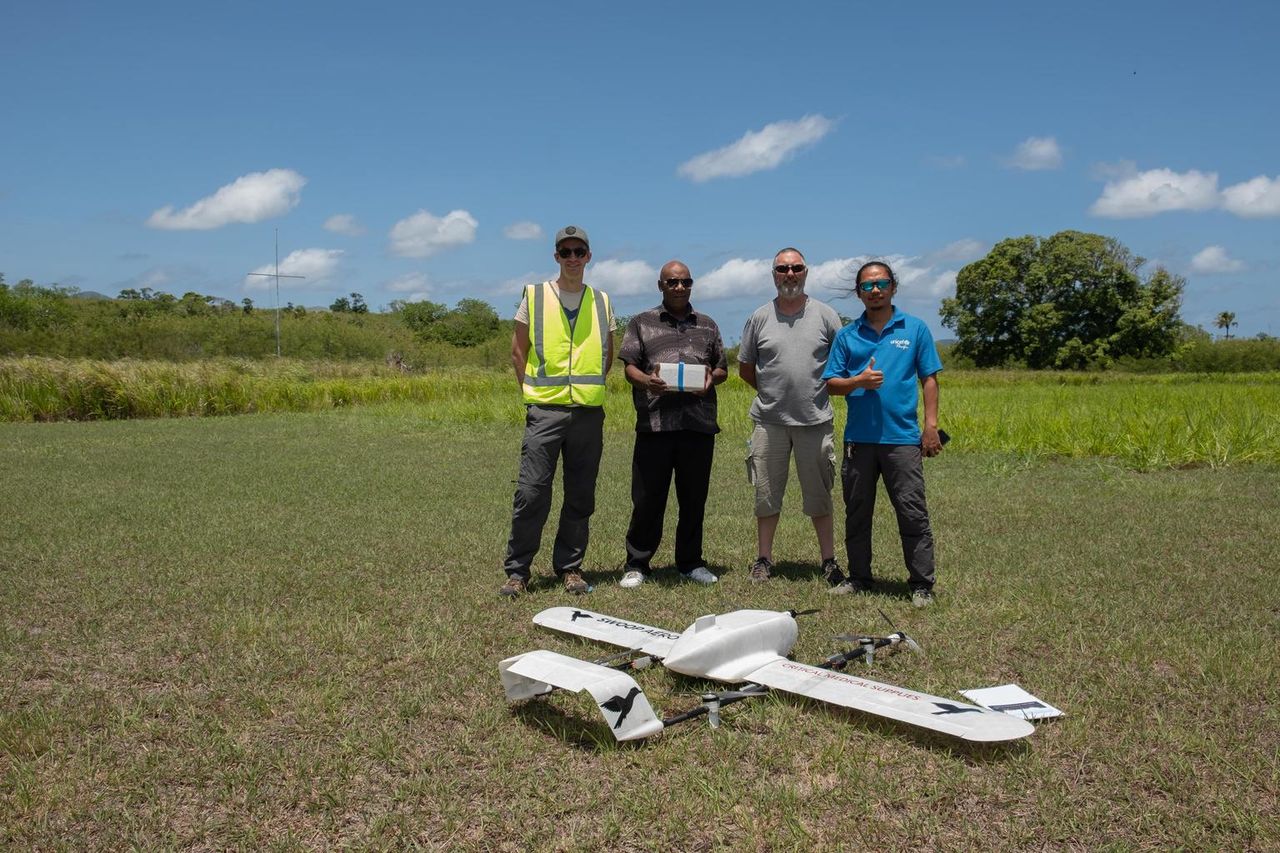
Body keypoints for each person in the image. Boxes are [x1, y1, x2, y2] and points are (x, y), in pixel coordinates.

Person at [499, 225, 614, 596]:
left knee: (580, 495)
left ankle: (570, 568)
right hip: (545, 412)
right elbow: (518, 351)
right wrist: (532, 394)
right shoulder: (533, 296)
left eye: (579, 251)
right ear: (556, 257)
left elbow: (607, 353)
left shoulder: (602, 300)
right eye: (566, 252)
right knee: (532, 492)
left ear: (588, 257)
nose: (573, 258)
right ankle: (518, 572)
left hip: (587, 412)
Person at [822, 260, 944, 607]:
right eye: (867, 286)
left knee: (911, 511)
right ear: (858, 292)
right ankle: (859, 578)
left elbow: (929, 378)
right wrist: (858, 381)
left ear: (893, 287)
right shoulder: (847, 336)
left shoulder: (915, 329)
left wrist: (930, 426)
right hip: (859, 441)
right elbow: (831, 384)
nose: (875, 291)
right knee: (857, 511)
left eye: (881, 284)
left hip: (902, 439)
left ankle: (921, 584)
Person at [738, 247, 846, 588]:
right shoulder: (759, 317)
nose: (790, 274)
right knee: (766, 494)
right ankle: (764, 559)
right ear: (774, 274)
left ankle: (829, 561)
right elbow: (746, 367)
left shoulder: (827, 316)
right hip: (769, 422)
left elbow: (841, 364)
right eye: (783, 268)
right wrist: (773, 392)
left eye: (796, 268)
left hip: (814, 420)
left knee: (819, 495)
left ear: (805, 272)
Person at [617, 261, 728, 588]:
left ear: (691, 285)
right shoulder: (642, 322)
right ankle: (638, 563)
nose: (679, 287)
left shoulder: (707, 325)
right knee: (648, 497)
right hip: (656, 424)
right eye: (672, 282)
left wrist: (711, 377)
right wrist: (646, 381)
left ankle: (691, 562)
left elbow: (721, 368)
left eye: (685, 282)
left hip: (698, 424)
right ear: (660, 285)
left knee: (694, 498)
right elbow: (629, 368)